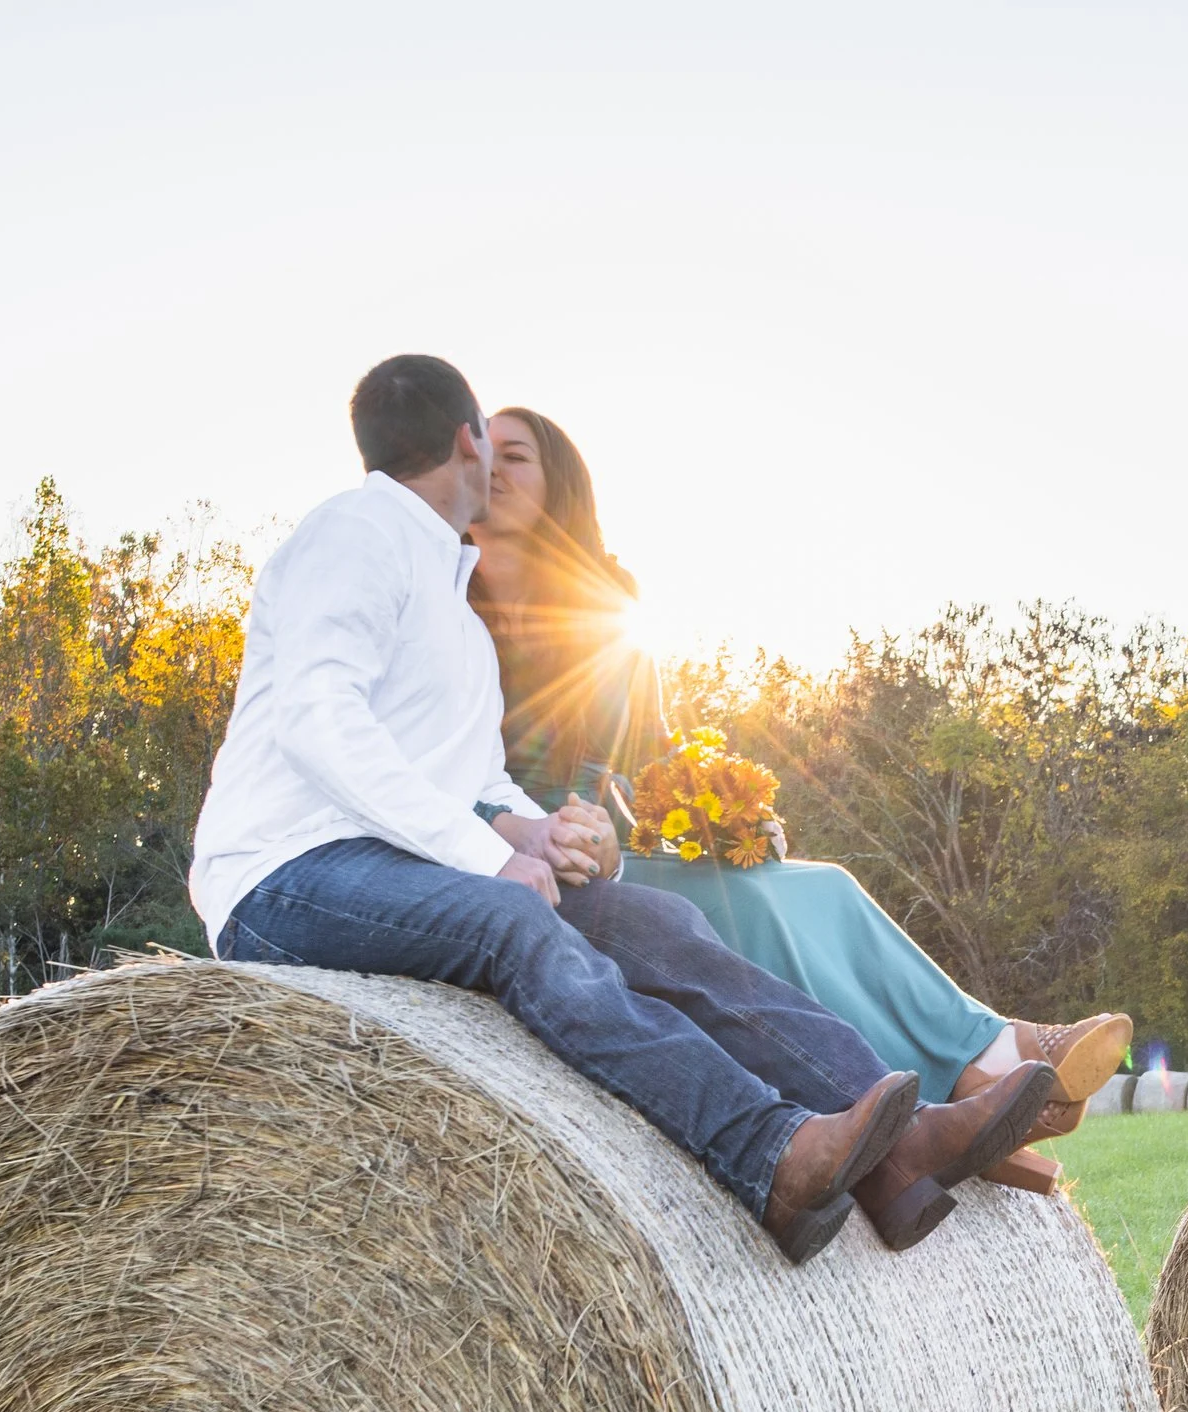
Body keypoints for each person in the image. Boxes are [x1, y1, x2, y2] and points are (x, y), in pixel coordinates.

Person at [189, 355, 1056, 1262]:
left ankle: (898, 1136)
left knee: (655, 923)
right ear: (468, 439)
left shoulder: (455, 613)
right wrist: (492, 859)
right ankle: (769, 1156)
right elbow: (318, 722)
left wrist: (544, 833)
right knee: (511, 922)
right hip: (283, 877)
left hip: (398, 868)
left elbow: (480, 784)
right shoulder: (356, 530)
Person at [464, 406, 1131, 1196]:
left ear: (559, 490)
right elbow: (443, 771)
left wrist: (724, 809)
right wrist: (557, 830)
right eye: (486, 452)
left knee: (820, 884)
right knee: (755, 907)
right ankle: (979, 1077)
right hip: (510, 854)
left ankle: (979, 1069)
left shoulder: (605, 619)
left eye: (517, 455)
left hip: (606, 845)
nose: (494, 468)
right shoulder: (446, 610)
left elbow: (643, 762)